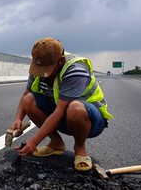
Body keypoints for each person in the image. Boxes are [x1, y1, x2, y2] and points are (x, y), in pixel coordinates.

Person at [11, 37, 113, 171]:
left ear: (61, 61)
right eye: (38, 68)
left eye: (46, 70)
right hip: (62, 115)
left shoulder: (76, 70)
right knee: (29, 100)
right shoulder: (39, 67)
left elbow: (60, 111)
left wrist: (34, 141)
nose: (42, 74)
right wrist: (18, 119)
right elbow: (25, 94)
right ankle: (56, 143)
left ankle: (80, 148)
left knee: (75, 108)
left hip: (90, 120)